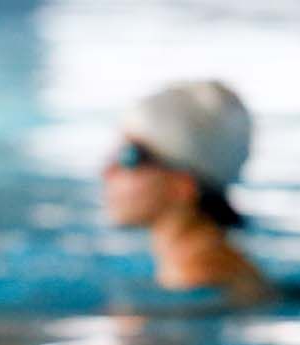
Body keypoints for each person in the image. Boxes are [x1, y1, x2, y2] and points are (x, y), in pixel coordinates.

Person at [103, 81, 271, 307]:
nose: (107, 171)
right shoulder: (223, 267)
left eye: (129, 157)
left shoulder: (196, 278)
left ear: (182, 185)